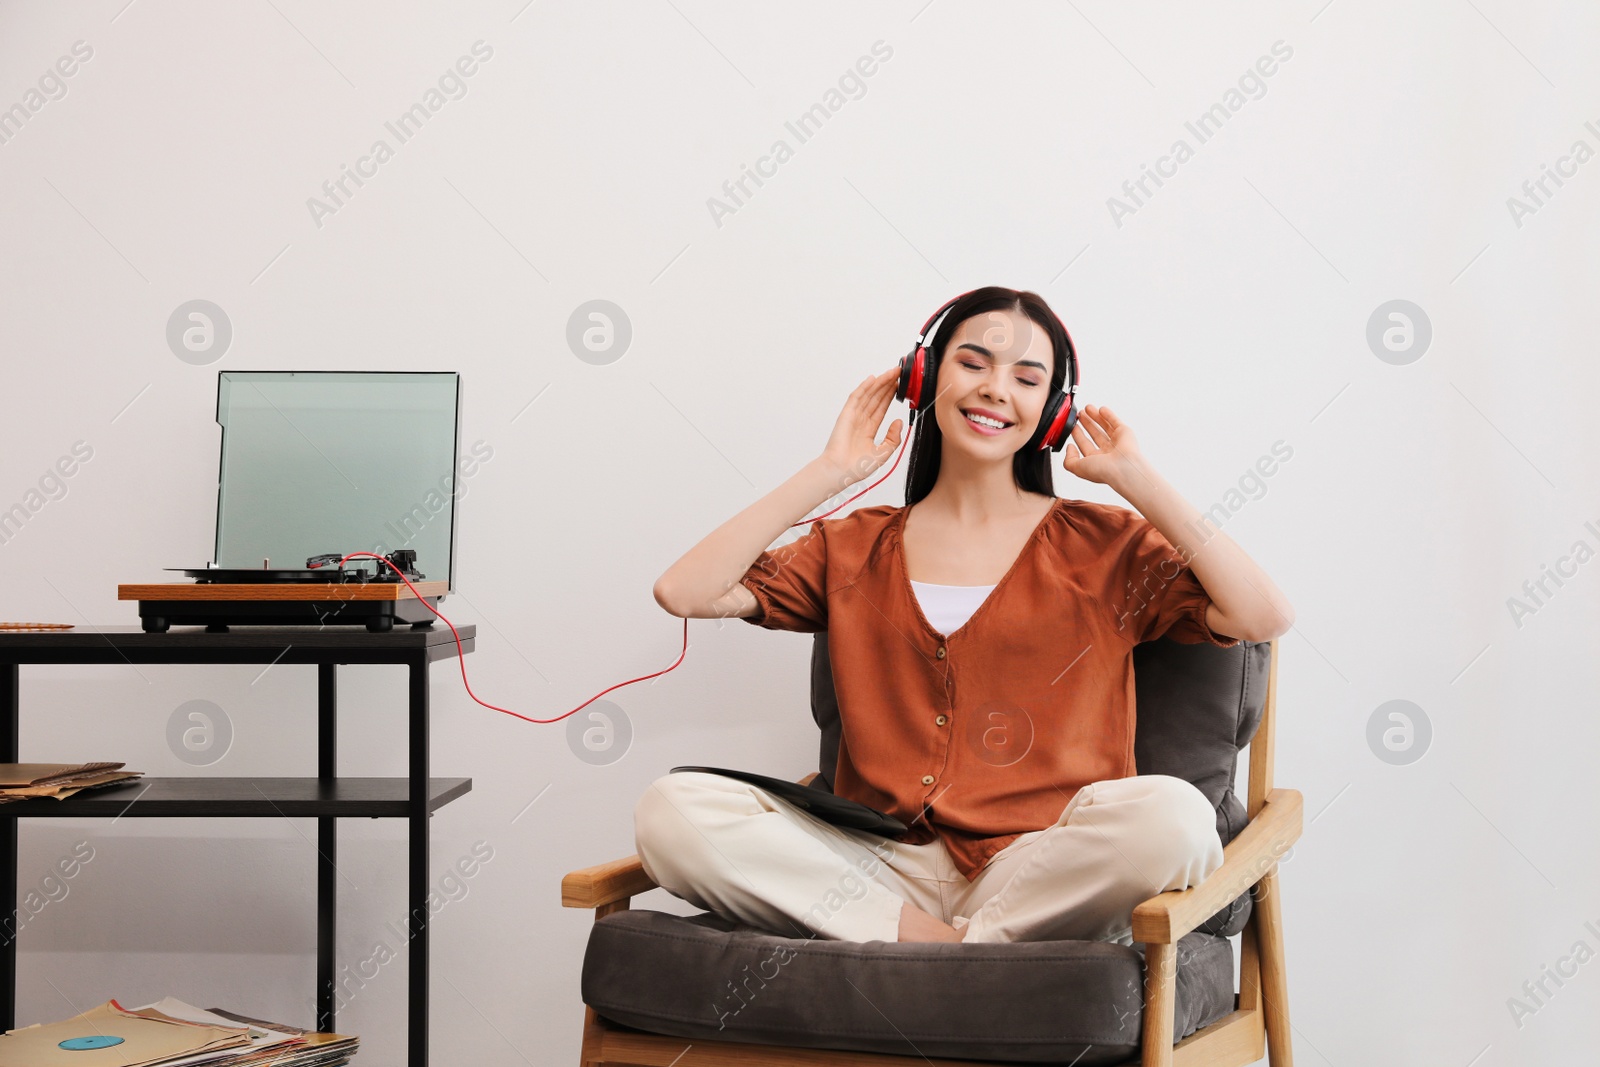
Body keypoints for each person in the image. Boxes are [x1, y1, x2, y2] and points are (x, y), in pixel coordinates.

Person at [639, 286, 1294, 945]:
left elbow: (1262, 613)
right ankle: (958, 949)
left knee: (1175, 818)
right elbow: (686, 589)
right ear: (923, 379)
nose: (995, 389)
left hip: (1037, 865)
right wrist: (829, 471)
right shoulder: (852, 545)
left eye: (1026, 377)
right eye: (973, 363)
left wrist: (1135, 477)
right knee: (671, 811)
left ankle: (944, 946)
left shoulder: (1108, 545)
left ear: (1053, 411)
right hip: (878, 865)